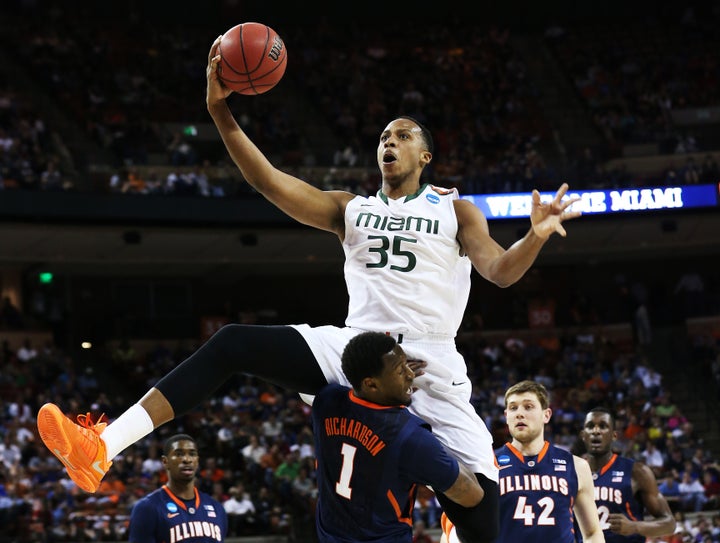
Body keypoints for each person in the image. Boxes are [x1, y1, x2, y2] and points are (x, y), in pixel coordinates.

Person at [36, 35, 582, 543]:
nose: (389, 142)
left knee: (481, 505)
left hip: (429, 357)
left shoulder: (456, 208)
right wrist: (219, 111)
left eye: (403, 136)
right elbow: (269, 181)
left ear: (425, 157)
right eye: (384, 137)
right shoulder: (352, 208)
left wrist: (533, 237)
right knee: (232, 343)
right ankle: (101, 446)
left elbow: (501, 272)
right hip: (355, 346)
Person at [312, 331, 483, 542]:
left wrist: (391, 379)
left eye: (405, 365)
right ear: (371, 384)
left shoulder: (326, 401)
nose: (410, 375)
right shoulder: (410, 438)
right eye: (399, 371)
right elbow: (472, 495)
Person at [442, 380, 603, 543]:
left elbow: (592, 533)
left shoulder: (577, 466)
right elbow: (451, 532)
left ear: (546, 415)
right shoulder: (485, 465)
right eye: (513, 408)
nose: (519, 413)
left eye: (528, 407)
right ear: (506, 416)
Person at [581, 407, 675, 542]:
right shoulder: (571, 472)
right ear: (583, 435)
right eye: (590, 427)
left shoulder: (636, 472)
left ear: (614, 435)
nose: (596, 431)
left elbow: (669, 524)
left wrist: (634, 527)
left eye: (603, 426)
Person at [127, 433, 228, 543]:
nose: (187, 459)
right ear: (165, 462)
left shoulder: (217, 508)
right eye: (179, 454)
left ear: (197, 461)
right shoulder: (148, 508)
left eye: (192, 454)